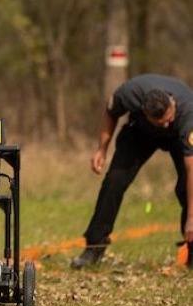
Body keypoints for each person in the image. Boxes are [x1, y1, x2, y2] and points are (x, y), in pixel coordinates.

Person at [71, 74, 193, 269]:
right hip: (141, 134)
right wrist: (102, 148)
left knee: (185, 188)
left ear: (172, 106)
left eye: (168, 119)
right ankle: (94, 247)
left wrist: (191, 219)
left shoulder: (188, 114)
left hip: (178, 138)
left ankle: (192, 248)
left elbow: (191, 167)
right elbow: (111, 112)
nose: (166, 125)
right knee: (114, 181)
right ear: (145, 112)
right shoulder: (130, 94)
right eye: (161, 122)